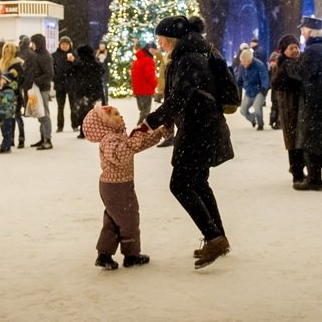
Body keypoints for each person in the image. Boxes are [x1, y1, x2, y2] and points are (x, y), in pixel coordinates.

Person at [143, 15, 234, 270]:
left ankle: (214, 237)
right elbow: (181, 96)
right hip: (202, 127)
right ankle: (218, 236)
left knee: (180, 185)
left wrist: (151, 121)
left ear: (171, 38)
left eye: (161, 38)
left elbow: (179, 97)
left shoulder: (189, 58)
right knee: (197, 182)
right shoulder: (195, 53)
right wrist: (167, 121)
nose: (159, 43)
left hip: (198, 130)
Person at [83, 104, 168, 270]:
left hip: (117, 185)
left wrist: (158, 133)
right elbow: (121, 155)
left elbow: (136, 146)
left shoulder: (117, 136)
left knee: (114, 221)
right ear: (105, 123)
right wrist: (137, 135)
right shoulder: (109, 140)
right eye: (115, 114)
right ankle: (131, 255)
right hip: (116, 187)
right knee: (129, 219)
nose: (120, 116)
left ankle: (104, 255)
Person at [294, 16, 322, 190]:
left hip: (317, 101)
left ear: (309, 32)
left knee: (311, 140)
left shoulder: (313, 51)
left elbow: (303, 73)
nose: (302, 33)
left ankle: (314, 179)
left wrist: (290, 66)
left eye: (303, 30)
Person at [270, 34, 304, 183]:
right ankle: (297, 173)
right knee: (294, 142)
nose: (295, 50)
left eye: (296, 47)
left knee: (297, 141)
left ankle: (298, 170)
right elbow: (295, 80)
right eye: (291, 48)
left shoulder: (294, 63)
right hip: (290, 110)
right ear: (284, 51)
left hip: (296, 109)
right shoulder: (286, 65)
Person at [66, 44, 105, 138]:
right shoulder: (96, 64)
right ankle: (96, 131)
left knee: (83, 111)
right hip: (95, 92)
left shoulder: (79, 65)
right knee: (95, 112)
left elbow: (68, 73)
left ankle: (83, 131)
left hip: (82, 92)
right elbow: (102, 72)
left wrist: (72, 62)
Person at [0, 42, 23, 153]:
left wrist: (11, 86)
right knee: (8, 119)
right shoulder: (2, 63)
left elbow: (20, 79)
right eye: (5, 51)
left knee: (16, 117)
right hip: (4, 93)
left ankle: (20, 138)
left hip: (13, 93)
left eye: (8, 51)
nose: (6, 52)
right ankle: (9, 140)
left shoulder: (17, 63)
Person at [29, 33, 54, 150]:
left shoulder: (45, 56)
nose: (31, 45)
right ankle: (43, 137)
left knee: (44, 113)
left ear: (38, 43)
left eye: (33, 43)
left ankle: (48, 139)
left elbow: (49, 74)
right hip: (36, 88)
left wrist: (36, 81)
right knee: (39, 113)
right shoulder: (36, 55)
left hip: (42, 88)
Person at [236, 48, 270, 130]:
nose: (244, 63)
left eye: (245, 61)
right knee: (243, 110)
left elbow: (264, 77)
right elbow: (239, 78)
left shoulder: (259, 65)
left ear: (250, 59)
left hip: (260, 90)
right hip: (249, 91)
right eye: (242, 61)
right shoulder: (242, 66)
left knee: (257, 107)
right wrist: (236, 85)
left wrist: (264, 88)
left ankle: (260, 124)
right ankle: (252, 119)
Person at [16, 35, 36, 147]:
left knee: (22, 94)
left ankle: (25, 108)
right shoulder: (31, 53)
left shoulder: (19, 52)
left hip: (22, 78)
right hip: (29, 77)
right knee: (27, 94)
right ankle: (28, 109)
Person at [130, 41, 158, 124]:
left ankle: (140, 130)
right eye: (153, 50)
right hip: (146, 90)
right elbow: (150, 75)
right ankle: (139, 130)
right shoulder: (148, 60)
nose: (155, 52)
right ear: (149, 50)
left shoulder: (138, 60)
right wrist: (155, 84)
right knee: (145, 112)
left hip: (138, 90)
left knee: (142, 111)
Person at [52, 36, 74, 132]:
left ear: (70, 45)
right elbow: (52, 70)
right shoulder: (54, 55)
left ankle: (75, 124)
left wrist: (74, 61)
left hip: (72, 85)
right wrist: (55, 79)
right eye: (63, 44)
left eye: (67, 44)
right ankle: (60, 126)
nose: (65, 46)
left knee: (73, 106)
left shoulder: (74, 55)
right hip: (60, 85)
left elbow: (79, 68)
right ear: (59, 45)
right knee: (60, 107)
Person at [267, 51, 280, 130]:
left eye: (273, 61)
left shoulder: (278, 70)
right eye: (271, 61)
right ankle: (272, 121)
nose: (272, 63)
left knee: (278, 109)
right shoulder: (271, 70)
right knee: (274, 107)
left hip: (278, 93)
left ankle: (278, 122)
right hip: (274, 94)